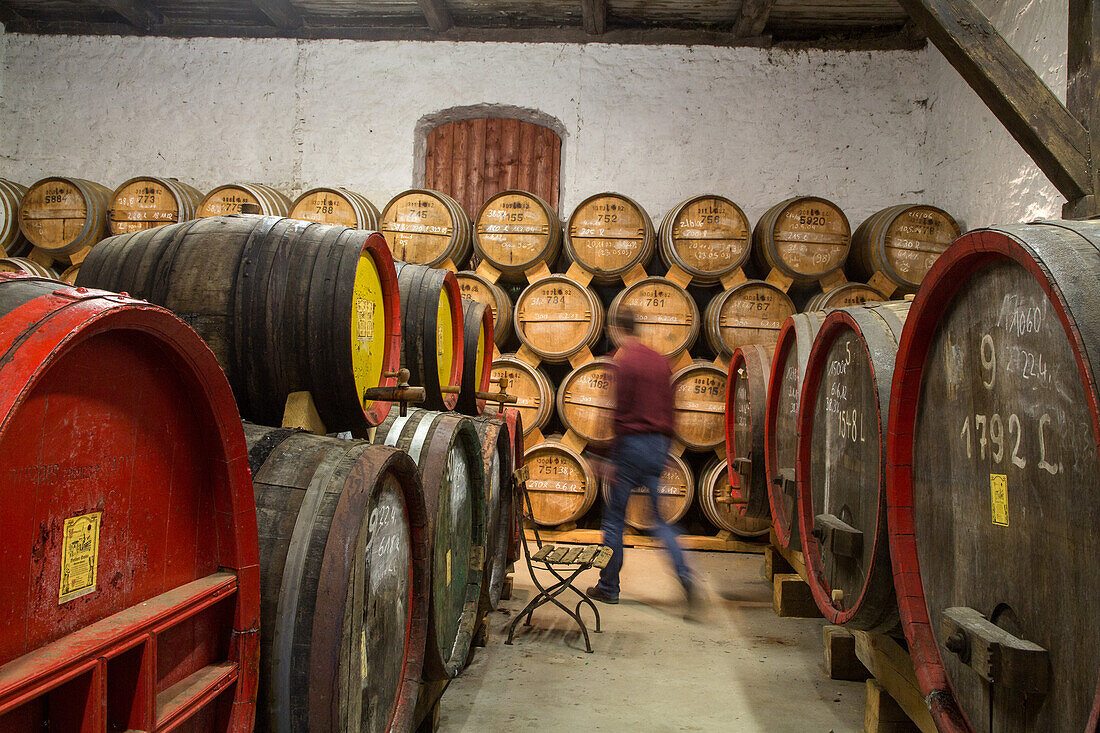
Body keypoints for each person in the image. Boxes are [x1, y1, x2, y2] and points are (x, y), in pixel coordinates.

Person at [587, 306, 696, 609]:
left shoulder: (623, 362)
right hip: (658, 446)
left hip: (630, 446)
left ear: (616, 330)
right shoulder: (661, 362)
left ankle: (609, 586)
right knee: (660, 520)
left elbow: (615, 412)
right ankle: (685, 574)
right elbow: (673, 409)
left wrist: (604, 455)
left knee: (613, 522)